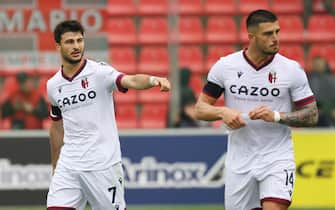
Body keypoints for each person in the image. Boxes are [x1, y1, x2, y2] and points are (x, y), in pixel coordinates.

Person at [194, 10, 318, 210]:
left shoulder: (291, 70)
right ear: (251, 37)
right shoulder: (225, 66)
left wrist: (276, 116)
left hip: (277, 157)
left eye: (277, 32)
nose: (275, 38)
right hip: (239, 160)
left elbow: (312, 115)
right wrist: (222, 112)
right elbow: (200, 109)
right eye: (268, 34)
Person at [46, 20, 170, 210]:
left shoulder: (99, 73)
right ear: (58, 46)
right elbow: (56, 127)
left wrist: (154, 80)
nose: (76, 46)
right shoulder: (53, 85)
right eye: (70, 42)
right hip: (69, 166)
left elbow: (131, 80)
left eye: (80, 40)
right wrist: (56, 166)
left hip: (102, 165)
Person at [308, 56, 335, 126]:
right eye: (316, 64)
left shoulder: (332, 80)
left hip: (329, 111)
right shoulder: (307, 79)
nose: (318, 66)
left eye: (320, 64)